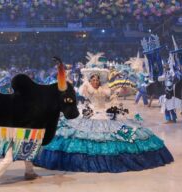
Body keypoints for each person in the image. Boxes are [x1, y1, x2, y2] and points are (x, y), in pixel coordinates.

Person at [34, 67, 173, 172]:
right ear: (90, 81)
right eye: (93, 80)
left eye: (97, 80)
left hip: (104, 112)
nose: (95, 82)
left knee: (119, 132)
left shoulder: (105, 89)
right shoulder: (87, 89)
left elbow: (111, 99)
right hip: (89, 112)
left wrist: (115, 96)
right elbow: (80, 93)